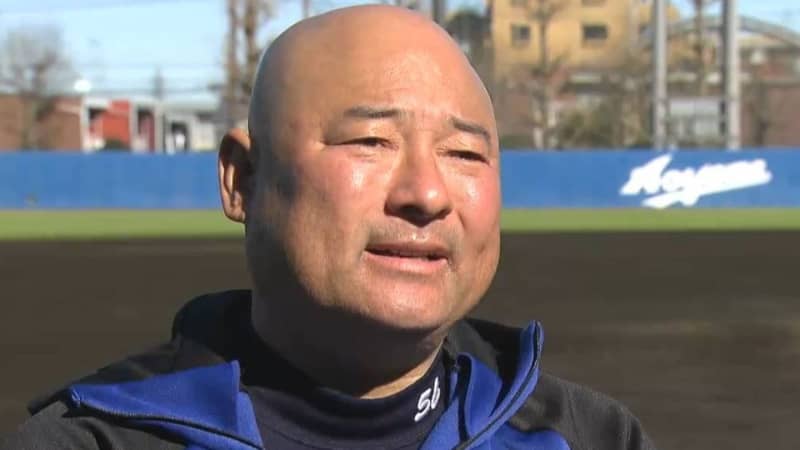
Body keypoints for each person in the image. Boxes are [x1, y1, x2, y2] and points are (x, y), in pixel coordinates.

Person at [1, 5, 655, 450]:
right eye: (370, 141)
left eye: (464, 153)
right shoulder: (96, 439)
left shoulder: (589, 437)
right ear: (243, 179)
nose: (427, 194)